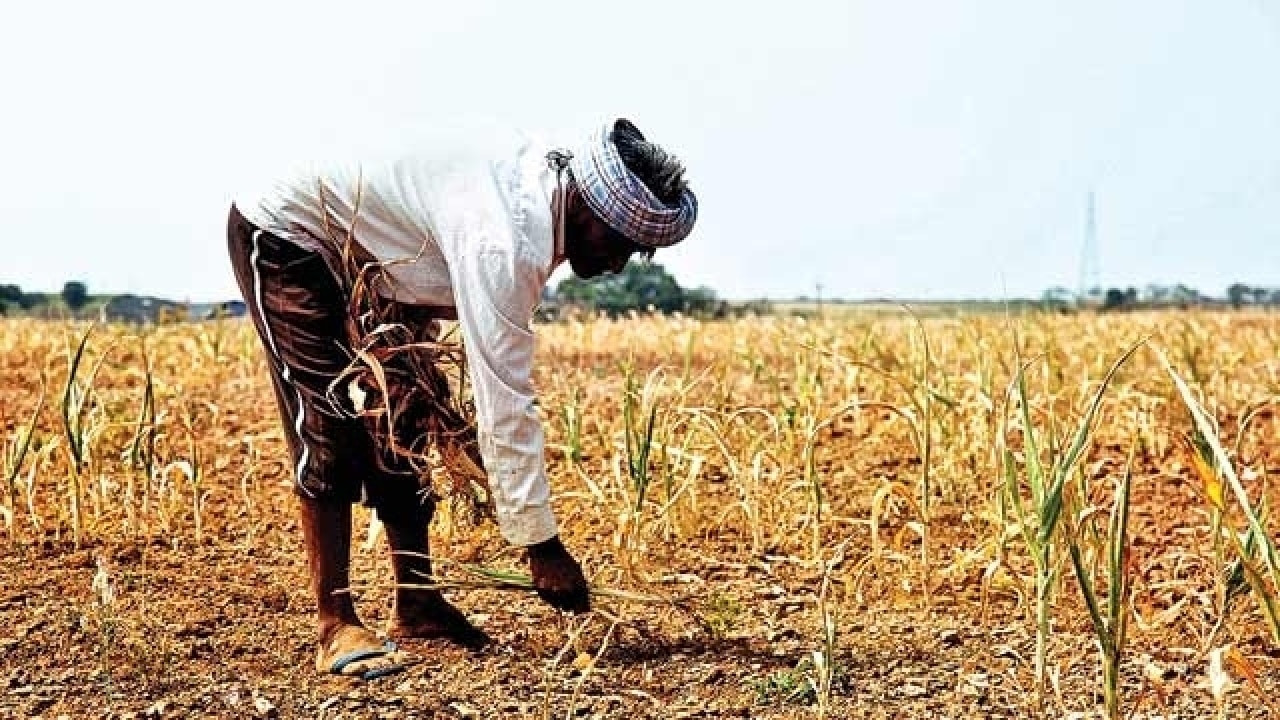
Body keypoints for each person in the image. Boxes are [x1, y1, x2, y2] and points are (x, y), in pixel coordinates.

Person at [225, 118, 697, 680]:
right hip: (290, 235)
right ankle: (334, 622)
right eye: (621, 244)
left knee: (406, 412)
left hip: (382, 255)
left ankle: (417, 602)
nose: (618, 263)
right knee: (328, 421)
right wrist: (541, 545)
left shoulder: (537, 203)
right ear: (590, 209)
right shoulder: (506, 238)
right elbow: (506, 400)